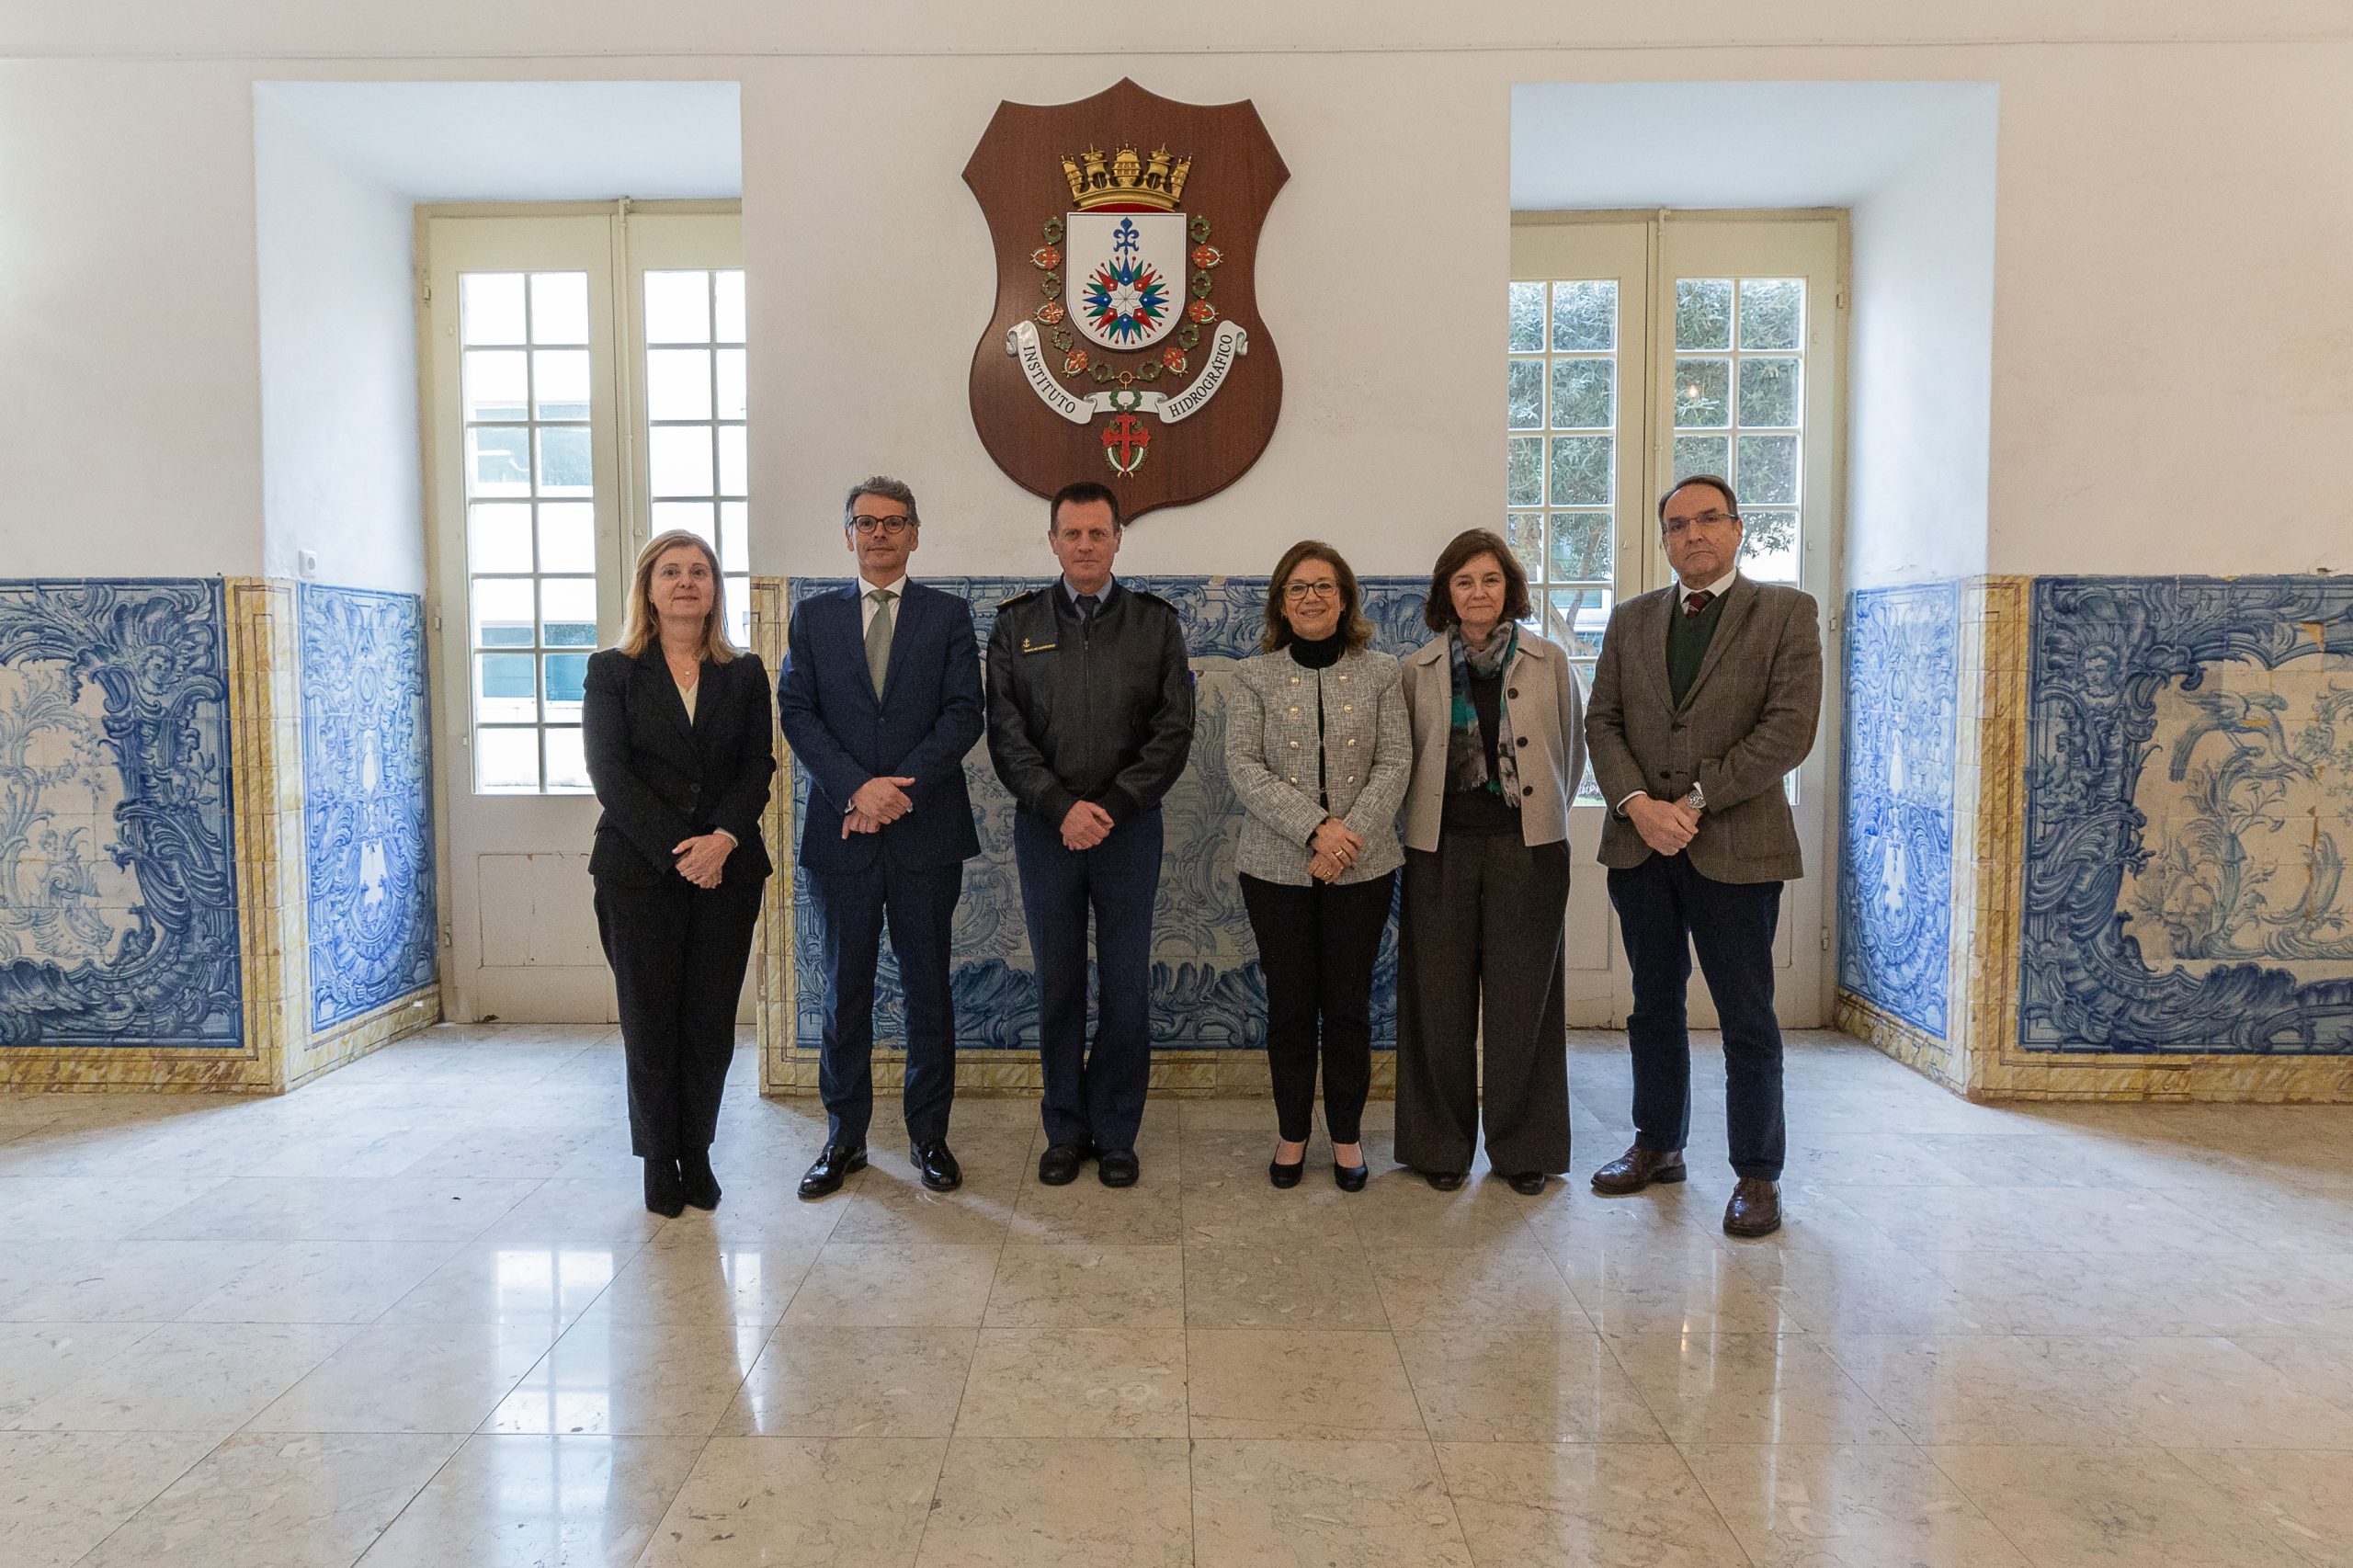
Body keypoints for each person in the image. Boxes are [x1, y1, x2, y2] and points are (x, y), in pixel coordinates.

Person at [1585, 474, 1822, 1238]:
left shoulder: (1785, 613)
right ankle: (1658, 1144)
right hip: (1641, 847)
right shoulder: (1630, 620)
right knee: (1653, 1005)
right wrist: (1636, 805)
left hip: (1737, 850)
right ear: (1663, 540)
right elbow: (1604, 722)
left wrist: (1692, 804)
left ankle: (1758, 1174)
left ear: (1737, 529)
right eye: (1677, 524)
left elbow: (1789, 731)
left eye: (1708, 520)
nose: (1693, 535)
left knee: (1746, 1015)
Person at [778, 477, 985, 1200]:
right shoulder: (813, 618)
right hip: (842, 833)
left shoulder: (949, 616)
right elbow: (797, 713)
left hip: (926, 833)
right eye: (865, 523)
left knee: (929, 989)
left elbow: (964, 714)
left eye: (894, 522)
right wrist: (855, 788)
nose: (879, 534)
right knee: (845, 991)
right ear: (847, 535)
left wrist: (896, 791)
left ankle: (931, 1138)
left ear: (916, 534)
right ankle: (845, 1139)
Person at [986, 481, 1194, 1188]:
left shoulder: (1155, 624)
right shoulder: (1015, 626)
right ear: (1052, 541)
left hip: (1129, 831)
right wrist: (1058, 806)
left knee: (1128, 988)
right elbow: (1006, 736)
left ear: (1116, 540)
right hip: (1046, 832)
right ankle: (1064, 1129)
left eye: (1096, 534)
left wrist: (1112, 804)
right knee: (1059, 985)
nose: (1083, 545)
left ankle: (1116, 1131)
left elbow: (1173, 731)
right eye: (1070, 534)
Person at [584, 529, 775, 1218]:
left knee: (708, 1021)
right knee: (649, 1019)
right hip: (638, 872)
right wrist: (682, 850)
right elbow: (611, 775)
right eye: (672, 571)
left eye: (700, 571)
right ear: (649, 588)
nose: (687, 582)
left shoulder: (745, 673)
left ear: (716, 589)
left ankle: (697, 1153)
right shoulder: (612, 671)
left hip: (729, 871)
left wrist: (721, 840)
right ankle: (656, 1160)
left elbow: (759, 767)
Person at [1393, 528, 1587, 1194]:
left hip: (1527, 850)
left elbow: (1572, 751)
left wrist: (1539, 814)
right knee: (1437, 1002)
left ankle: (1523, 1147)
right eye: (1464, 581)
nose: (1478, 593)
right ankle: (1439, 1146)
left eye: (1491, 580)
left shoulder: (1549, 663)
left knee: (1523, 1001)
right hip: (1439, 851)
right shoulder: (1415, 670)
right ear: (1446, 593)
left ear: (1511, 589)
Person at [1224, 541, 1411, 1192]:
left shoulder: (1383, 672)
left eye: (1325, 587)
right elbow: (1243, 766)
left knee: (1350, 1006)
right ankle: (1292, 1134)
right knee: (1292, 1007)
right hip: (1274, 869)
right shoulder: (1253, 677)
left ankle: (1348, 1137)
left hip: (1363, 868)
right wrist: (1315, 829)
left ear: (1346, 599)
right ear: (1281, 600)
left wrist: (1347, 837)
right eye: (1299, 587)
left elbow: (1395, 763)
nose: (1312, 597)